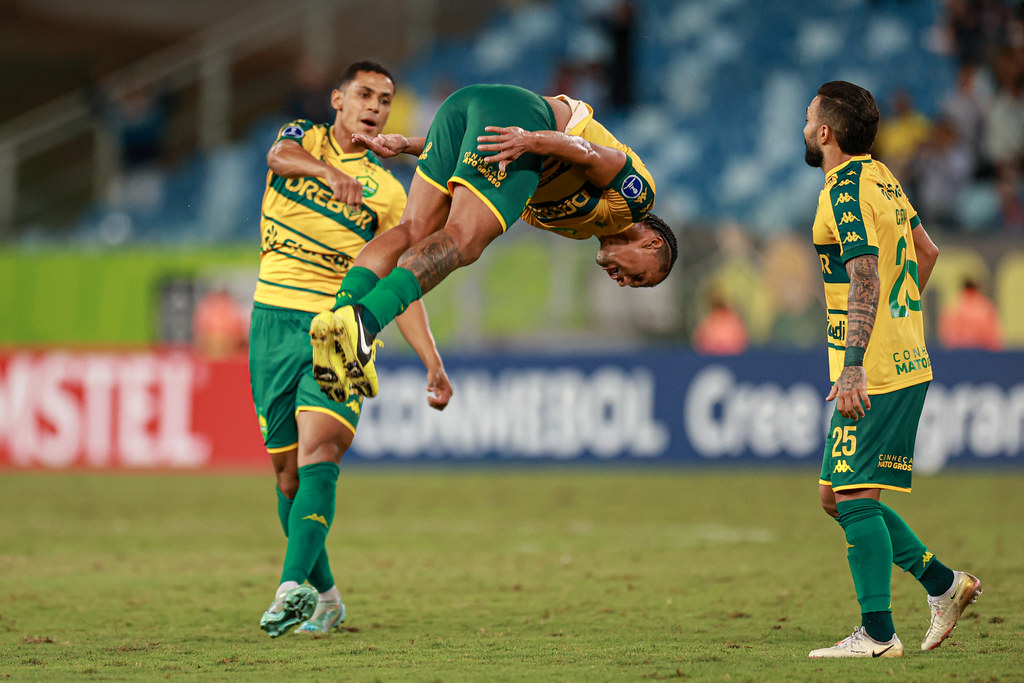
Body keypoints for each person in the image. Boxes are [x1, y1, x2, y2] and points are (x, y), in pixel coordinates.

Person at [249, 60, 452, 637]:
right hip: (270, 324)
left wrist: (431, 360)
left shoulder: (390, 194)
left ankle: (291, 587)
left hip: (342, 324)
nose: (375, 107)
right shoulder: (301, 138)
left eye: (385, 100)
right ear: (338, 99)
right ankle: (327, 598)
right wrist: (327, 175)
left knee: (321, 452)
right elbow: (277, 158)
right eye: (364, 95)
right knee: (288, 480)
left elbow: (402, 285)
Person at [309, 83, 677, 400]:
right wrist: (530, 138)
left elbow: (480, 144)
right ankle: (366, 323)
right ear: (652, 245)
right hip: (524, 119)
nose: (625, 282)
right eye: (641, 278)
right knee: (464, 241)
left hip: (464, 110)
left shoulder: (575, 228)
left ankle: (339, 318)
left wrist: (408, 144)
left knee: (413, 231)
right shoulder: (635, 201)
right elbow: (593, 153)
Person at [802, 81, 981, 658]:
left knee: (853, 500)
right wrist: (897, 323)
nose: (804, 126)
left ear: (825, 132)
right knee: (837, 496)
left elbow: (864, 278)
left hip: (874, 371)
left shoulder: (844, 190)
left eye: (808, 118)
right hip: (900, 355)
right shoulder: (883, 176)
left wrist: (855, 367)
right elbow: (926, 254)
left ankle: (878, 635)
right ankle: (944, 585)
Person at [938, 277, 1005, 350]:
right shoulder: (986, 307)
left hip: (960, 353)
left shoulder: (952, 307)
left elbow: (947, 336)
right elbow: (995, 338)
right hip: (982, 353)